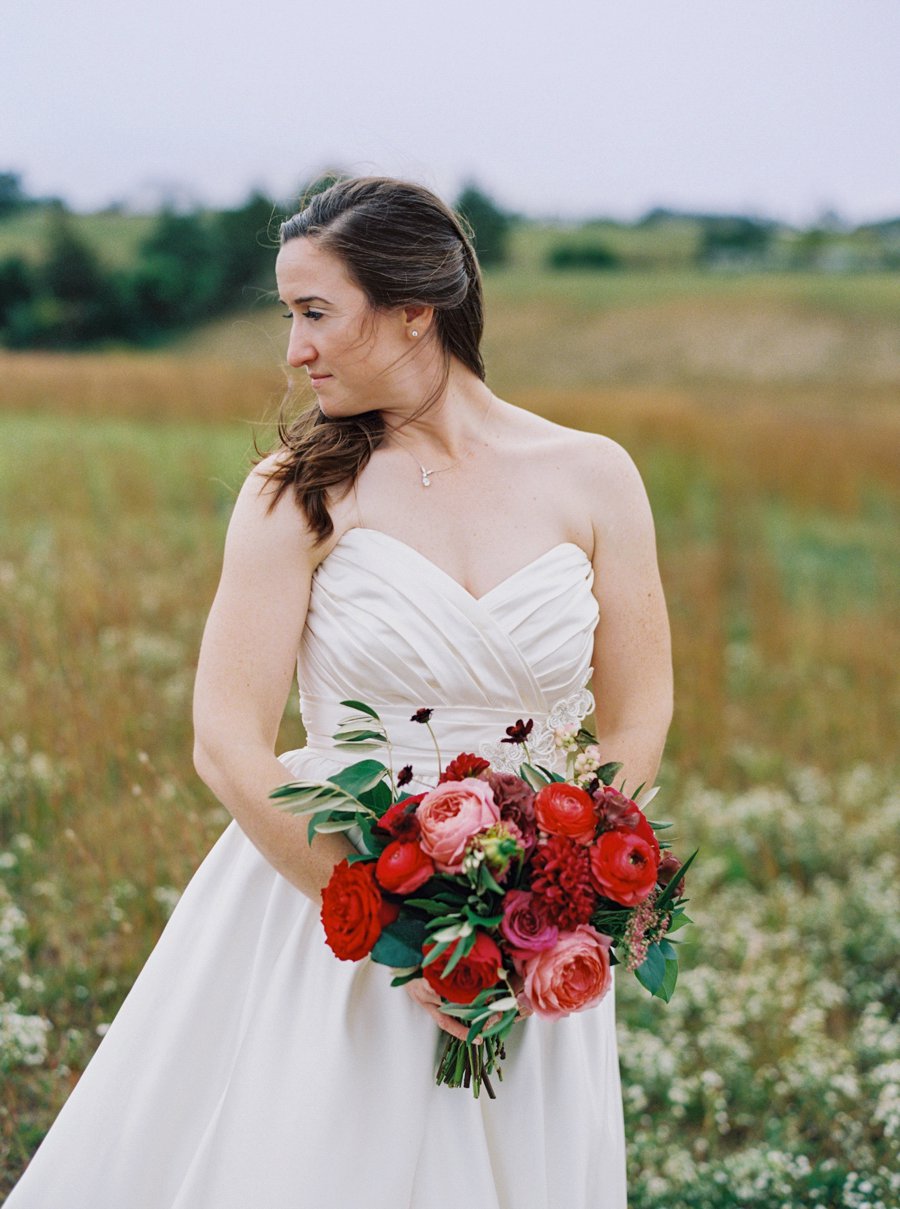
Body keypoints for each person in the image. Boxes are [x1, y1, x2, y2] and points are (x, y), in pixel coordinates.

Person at [6, 176, 673, 1208]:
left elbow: (638, 715)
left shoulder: (594, 477)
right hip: (332, 908)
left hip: (531, 938)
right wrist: (399, 936)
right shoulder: (296, 489)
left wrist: (558, 895)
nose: (293, 349)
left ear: (416, 310)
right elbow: (226, 740)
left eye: (315, 313)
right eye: (289, 315)